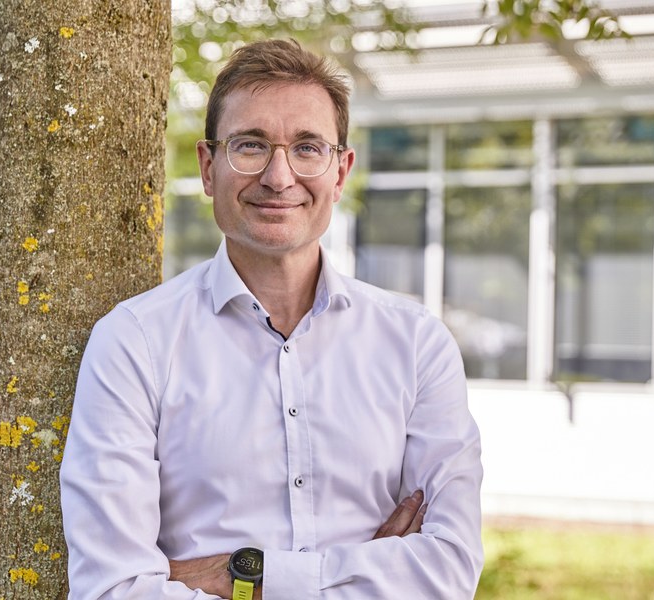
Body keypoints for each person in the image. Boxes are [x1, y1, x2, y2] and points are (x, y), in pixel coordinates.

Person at [60, 38, 484, 599]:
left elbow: (448, 573)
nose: (279, 177)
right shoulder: (134, 342)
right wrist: (366, 571)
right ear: (209, 168)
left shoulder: (415, 343)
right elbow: (112, 590)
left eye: (308, 148)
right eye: (251, 146)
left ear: (340, 171)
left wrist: (239, 575)